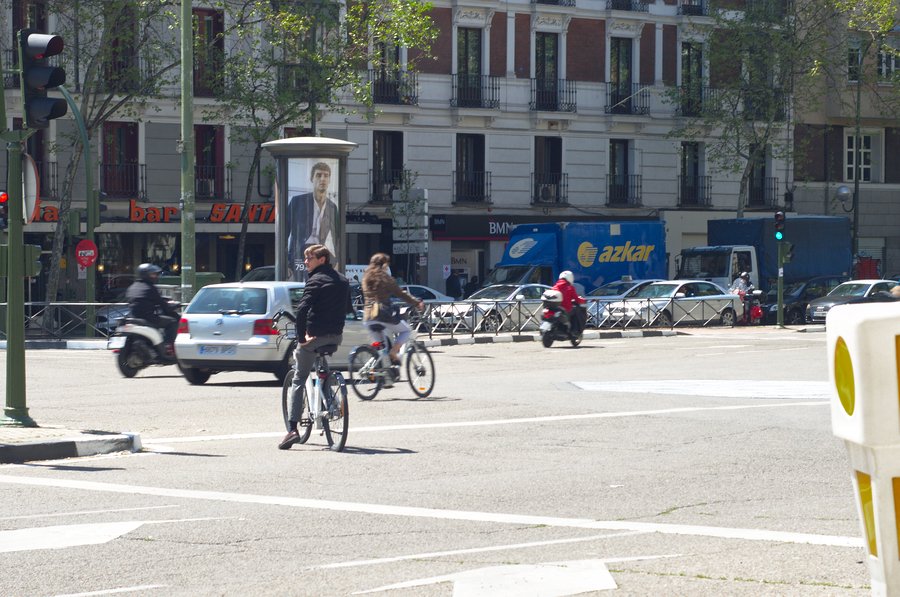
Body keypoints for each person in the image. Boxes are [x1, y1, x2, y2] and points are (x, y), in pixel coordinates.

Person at [280, 244, 351, 450]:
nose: (306, 261)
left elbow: (302, 310)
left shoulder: (315, 280)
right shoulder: (343, 280)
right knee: (322, 369)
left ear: (322, 260)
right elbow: (346, 309)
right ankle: (333, 403)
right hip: (335, 337)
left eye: (309, 258)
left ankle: (292, 429)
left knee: (299, 377)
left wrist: (302, 337)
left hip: (315, 337)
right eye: (305, 258)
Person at [361, 253, 424, 387]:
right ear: (384, 265)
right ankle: (394, 352)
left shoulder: (366, 277)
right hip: (382, 315)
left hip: (368, 317)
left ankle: (387, 379)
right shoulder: (385, 278)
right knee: (406, 330)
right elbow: (400, 293)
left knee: (382, 348)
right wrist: (416, 303)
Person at [286, 162, 338, 281]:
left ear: (330, 179)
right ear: (311, 179)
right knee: (301, 285)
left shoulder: (332, 207)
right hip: (300, 252)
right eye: (318, 175)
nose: (323, 179)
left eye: (326, 175)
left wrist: (336, 261)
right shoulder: (297, 202)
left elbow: (337, 240)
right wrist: (286, 261)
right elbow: (285, 233)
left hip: (320, 252)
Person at [125, 263, 179, 359]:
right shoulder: (150, 288)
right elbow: (164, 306)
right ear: (145, 275)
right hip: (148, 318)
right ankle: (168, 347)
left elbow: (146, 299)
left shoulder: (133, 287)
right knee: (172, 322)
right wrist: (174, 305)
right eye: (153, 274)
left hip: (133, 316)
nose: (155, 276)